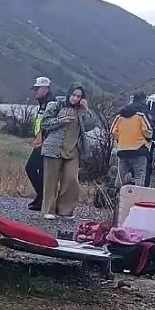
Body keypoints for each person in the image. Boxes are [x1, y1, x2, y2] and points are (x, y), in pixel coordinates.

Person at [38, 86, 95, 219]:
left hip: (73, 150)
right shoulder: (56, 105)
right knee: (51, 181)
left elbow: (91, 125)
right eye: (74, 95)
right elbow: (44, 124)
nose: (75, 98)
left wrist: (87, 109)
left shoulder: (81, 112)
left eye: (79, 96)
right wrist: (60, 121)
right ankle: (48, 210)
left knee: (71, 180)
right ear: (69, 94)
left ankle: (65, 210)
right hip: (54, 148)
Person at [24, 77, 57, 210]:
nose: (35, 91)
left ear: (45, 89)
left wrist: (44, 139)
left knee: (31, 168)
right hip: (41, 141)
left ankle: (43, 198)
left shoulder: (51, 104)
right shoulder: (43, 103)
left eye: (37, 89)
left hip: (46, 142)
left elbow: (51, 124)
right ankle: (41, 200)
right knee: (41, 172)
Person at [111, 103, 154, 191]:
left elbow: (113, 131)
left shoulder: (119, 117)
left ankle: (117, 193)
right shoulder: (140, 116)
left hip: (123, 151)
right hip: (139, 150)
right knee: (139, 175)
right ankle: (138, 195)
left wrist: (120, 140)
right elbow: (148, 131)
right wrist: (148, 140)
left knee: (121, 175)